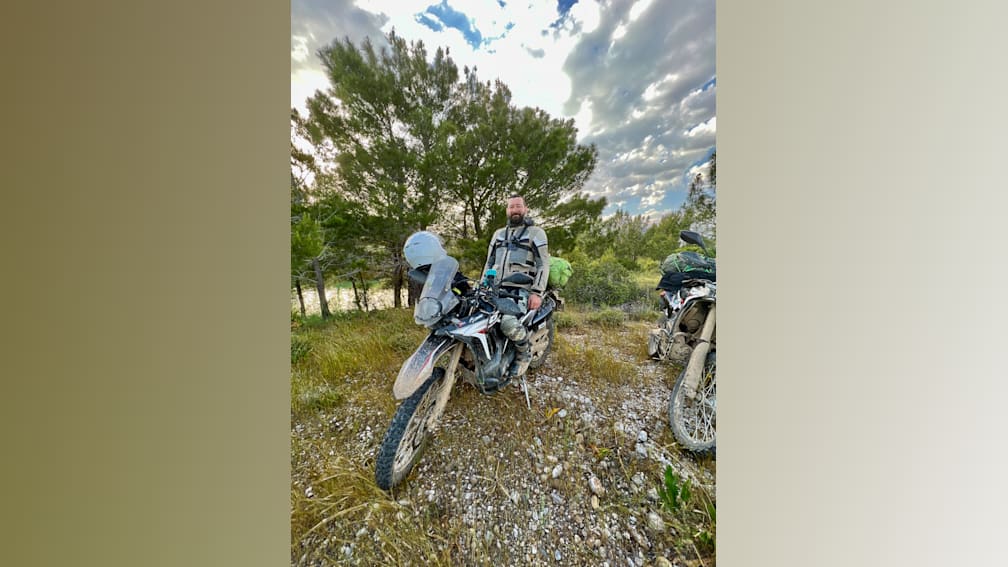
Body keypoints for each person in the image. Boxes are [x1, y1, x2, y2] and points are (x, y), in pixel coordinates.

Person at [482, 193, 550, 378]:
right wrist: (482, 287)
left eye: (518, 206)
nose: (515, 210)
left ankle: (524, 354)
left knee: (508, 323)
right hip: (497, 288)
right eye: (511, 207)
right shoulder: (498, 234)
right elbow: (489, 263)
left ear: (525, 209)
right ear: (507, 210)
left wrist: (537, 292)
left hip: (521, 289)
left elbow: (543, 264)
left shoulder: (536, 233)